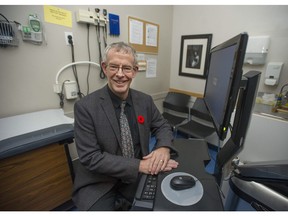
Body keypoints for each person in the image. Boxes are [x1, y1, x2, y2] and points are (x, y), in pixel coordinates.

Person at [72, 42, 179, 211]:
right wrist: (140, 166)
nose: (120, 74)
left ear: (134, 71)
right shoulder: (85, 107)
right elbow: (91, 157)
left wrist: (163, 148)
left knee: (163, 205)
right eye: (114, 67)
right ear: (104, 68)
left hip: (136, 178)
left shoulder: (145, 101)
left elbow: (162, 126)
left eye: (127, 68)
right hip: (100, 182)